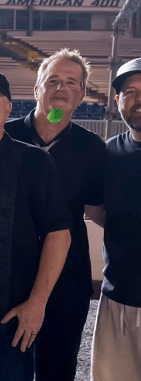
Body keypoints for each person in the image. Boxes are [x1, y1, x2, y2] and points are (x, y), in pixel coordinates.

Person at [0, 49, 105, 381]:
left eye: (71, 82)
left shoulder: (91, 148)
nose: (61, 88)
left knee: (57, 368)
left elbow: (98, 209)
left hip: (66, 281)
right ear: (36, 88)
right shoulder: (2, 133)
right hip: (4, 284)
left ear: (82, 94)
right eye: (52, 80)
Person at [89, 58, 141, 380]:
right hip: (118, 298)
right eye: (130, 92)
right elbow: (52, 122)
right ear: (117, 102)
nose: (139, 100)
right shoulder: (108, 153)